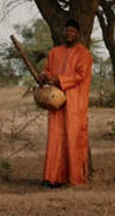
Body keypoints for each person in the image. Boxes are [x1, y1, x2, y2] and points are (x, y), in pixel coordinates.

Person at [39, 18, 92, 187]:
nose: (68, 33)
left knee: (74, 138)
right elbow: (47, 71)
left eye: (72, 31)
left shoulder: (84, 54)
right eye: (66, 31)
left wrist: (59, 80)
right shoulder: (54, 52)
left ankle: (74, 178)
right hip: (55, 102)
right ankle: (52, 178)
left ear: (77, 34)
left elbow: (81, 75)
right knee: (55, 138)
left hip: (75, 102)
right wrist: (44, 77)